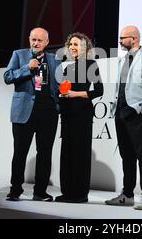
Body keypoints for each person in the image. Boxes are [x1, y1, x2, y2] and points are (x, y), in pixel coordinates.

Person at [105, 25, 142, 210]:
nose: (120, 41)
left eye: (123, 38)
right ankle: (127, 194)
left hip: (136, 114)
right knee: (126, 155)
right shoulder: (122, 60)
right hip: (120, 113)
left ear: (134, 38)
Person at [4, 27, 60, 202]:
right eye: (33, 39)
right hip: (24, 112)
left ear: (47, 43)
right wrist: (27, 68)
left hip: (48, 113)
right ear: (29, 39)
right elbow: (7, 77)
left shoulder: (54, 60)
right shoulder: (19, 55)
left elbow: (58, 85)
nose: (36, 43)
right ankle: (15, 190)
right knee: (20, 152)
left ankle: (40, 192)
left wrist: (58, 102)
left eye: (40, 40)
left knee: (45, 153)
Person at [55, 32, 104, 203]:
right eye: (71, 45)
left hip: (82, 114)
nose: (73, 47)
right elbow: (64, 89)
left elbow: (99, 91)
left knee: (79, 153)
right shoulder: (68, 67)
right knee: (67, 152)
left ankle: (80, 194)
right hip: (68, 114)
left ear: (85, 47)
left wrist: (75, 93)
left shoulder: (91, 64)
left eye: (76, 44)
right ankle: (67, 192)